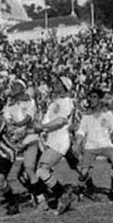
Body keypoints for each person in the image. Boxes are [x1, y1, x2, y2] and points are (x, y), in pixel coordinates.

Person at [32, 75, 77, 215]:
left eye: (59, 83)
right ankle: (56, 197)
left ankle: (62, 195)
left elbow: (60, 121)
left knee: (41, 171)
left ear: (65, 87)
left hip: (59, 141)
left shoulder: (67, 102)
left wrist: (43, 127)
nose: (55, 84)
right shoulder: (54, 103)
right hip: (49, 141)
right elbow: (44, 123)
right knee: (40, 172)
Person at [75, 88, 113, 201]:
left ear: (100, 99)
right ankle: (81, 190)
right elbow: (81, 132)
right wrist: (77, 145)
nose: (91, 99)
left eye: (94, 97)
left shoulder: (107, 114)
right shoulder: (86, 115)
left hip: (105, 144)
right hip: (90, 146)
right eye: (90, 97)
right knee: (83, 172)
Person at [2, 79, 41, 205]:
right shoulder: (9, 104)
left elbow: (28, 119)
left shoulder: (30, 102)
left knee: (30, 169)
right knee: (20, 175)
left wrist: (16, 125)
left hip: (30, 138)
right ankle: (34, 194)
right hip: (19, 140)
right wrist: (11, 128)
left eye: (15, 86)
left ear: (22, 88)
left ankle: (41, 198)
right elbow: (6, 120)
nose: (12, 88)